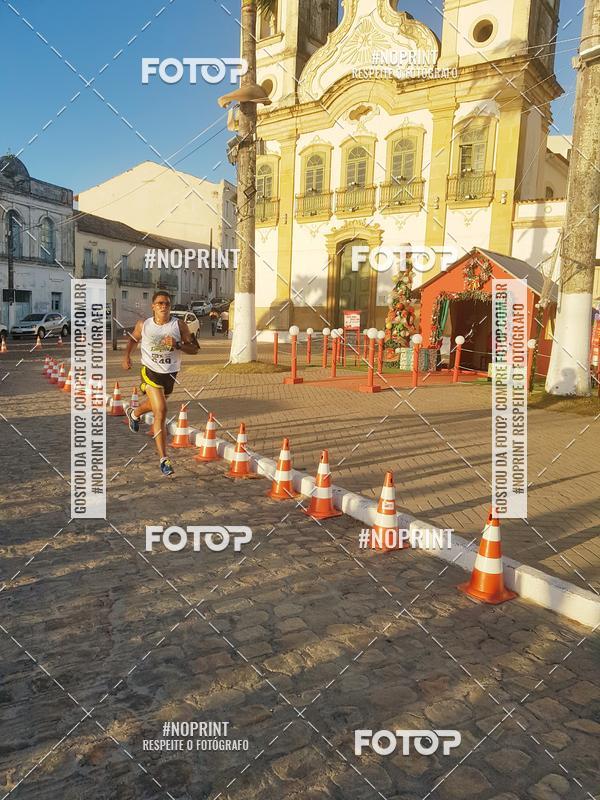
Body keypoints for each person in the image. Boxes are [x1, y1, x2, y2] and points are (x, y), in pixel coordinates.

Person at [122, 290, 199, 476]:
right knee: (161, 411)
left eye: (167, 303)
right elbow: (133, 339)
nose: (164, 306)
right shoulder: (144, 325)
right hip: (149, 372)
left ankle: (134, 413)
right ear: (153, 306)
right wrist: (126, 356)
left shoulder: (179, 325)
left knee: (155, 405)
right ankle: (164, 459)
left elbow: (195, 349)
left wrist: (178, 345)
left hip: (170, 374)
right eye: (160, 303)